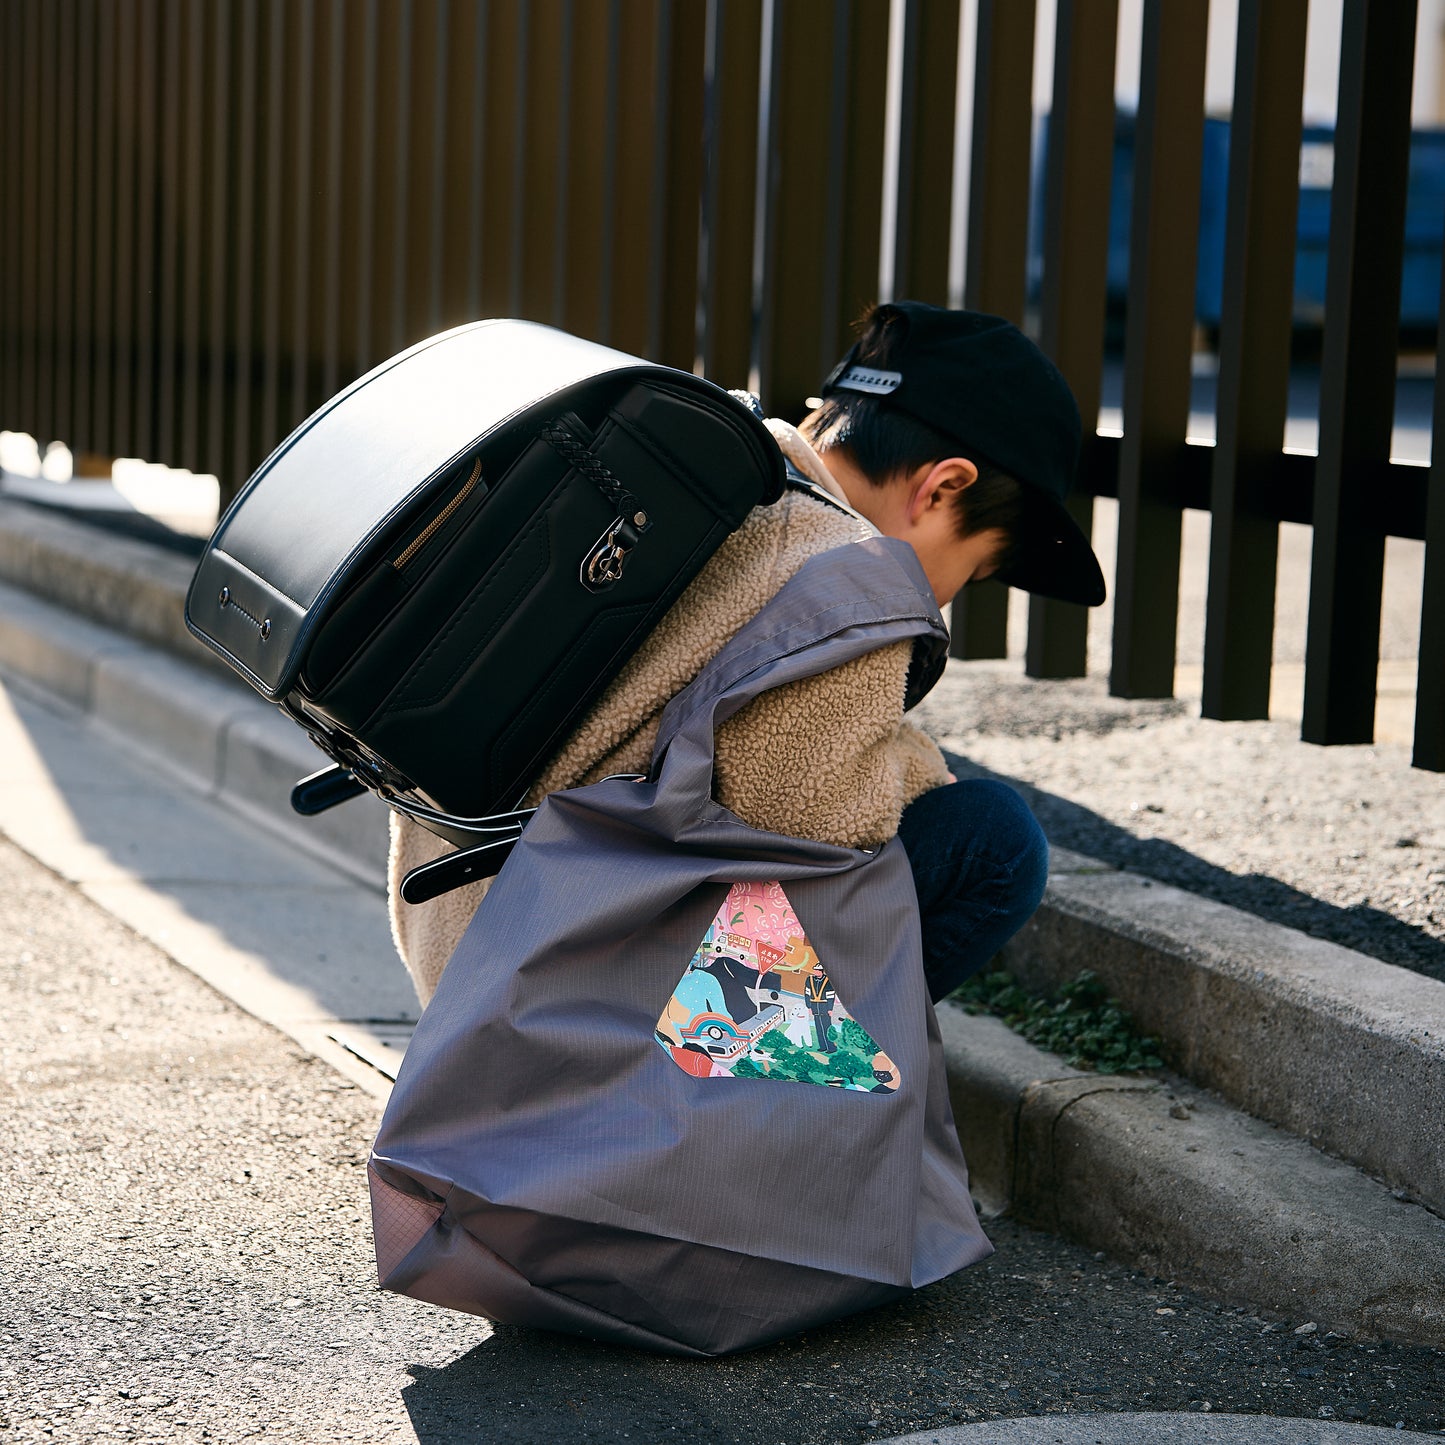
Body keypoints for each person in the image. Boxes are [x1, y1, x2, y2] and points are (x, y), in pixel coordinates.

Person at [387, 300, 1107, 1008]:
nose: (946, 598)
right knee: (991, 838)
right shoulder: (850, 581)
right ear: (943, 486)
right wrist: (919, 770)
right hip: (581, 1013)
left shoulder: (706, 479)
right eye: (972, 571)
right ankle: (757, 1119)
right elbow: (808, 847)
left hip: (464, 958)